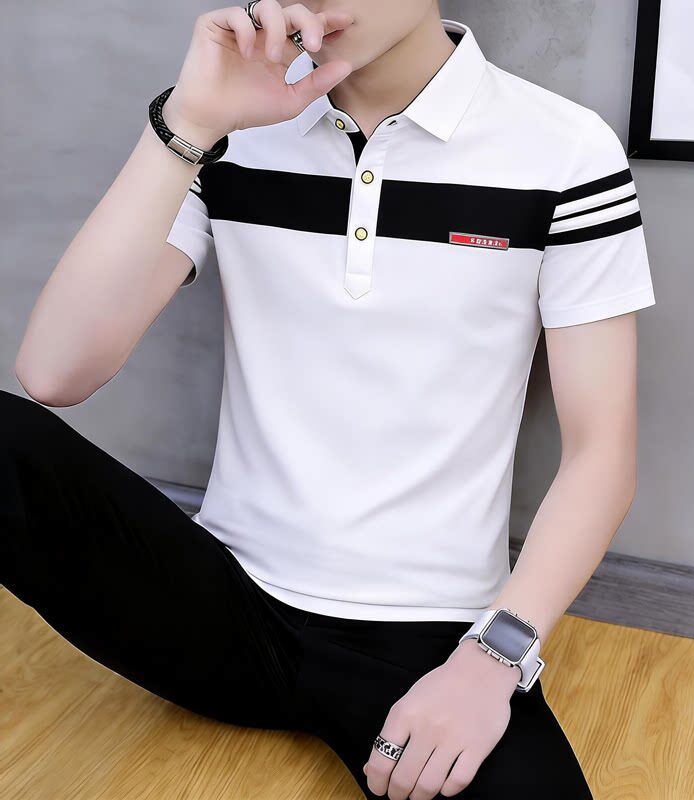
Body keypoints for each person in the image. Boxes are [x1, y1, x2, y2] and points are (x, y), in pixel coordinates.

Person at [4, 2, 656, 798]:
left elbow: (602, 455)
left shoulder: (564, 148)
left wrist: (493, 659)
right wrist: (191, 123)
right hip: (224, 603)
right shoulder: (231, 132)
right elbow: (54, 373)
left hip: (431, 641)